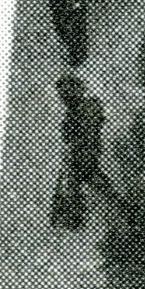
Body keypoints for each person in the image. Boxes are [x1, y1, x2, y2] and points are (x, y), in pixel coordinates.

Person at [50, 72, 108, 231]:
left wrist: (77, 153)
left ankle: (70, 221)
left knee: (80, 186)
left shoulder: (86, 108)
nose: (63, 98)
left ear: (77, 90)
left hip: (83, 156)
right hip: (81, 156)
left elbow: (86, 135)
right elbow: (71, 137)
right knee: (84, 186)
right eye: (62, 94)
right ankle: (70, 221)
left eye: (66, 93)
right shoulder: (78, 110)